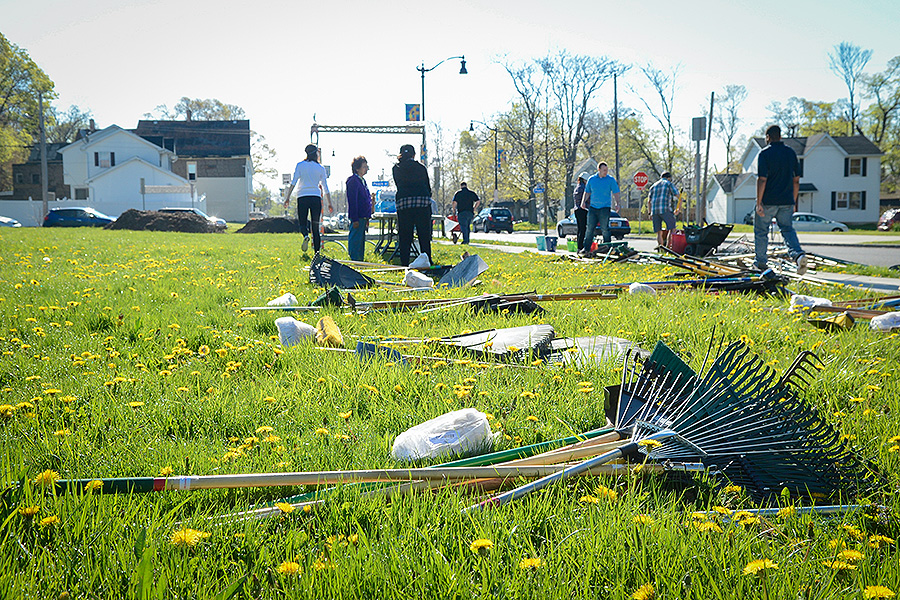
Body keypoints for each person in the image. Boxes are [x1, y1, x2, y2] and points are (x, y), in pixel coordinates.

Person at [754, 125, 807, 275]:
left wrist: (759, 202)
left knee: (761, 231)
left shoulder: (764, 154)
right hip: (787, 201)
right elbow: (796, 180)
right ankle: (798, 255)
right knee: (787, 229)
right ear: (780, 136)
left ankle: (761, 263)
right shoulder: (791, 153)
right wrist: (793, 201)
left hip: (768, 201)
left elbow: (762, 179)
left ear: (768, 137)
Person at [284, 144, 333, 254]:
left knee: (302, 223)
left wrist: (287, 197)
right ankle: (317, 253)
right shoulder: (320, 168)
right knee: (315, 227)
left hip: (302, 197)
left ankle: (305, 235)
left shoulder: (300, 165)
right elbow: (325, 187)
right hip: (315, 197)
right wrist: (330, 203)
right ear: (316, 154)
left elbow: (293, 182)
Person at [392, 144, 433, 266]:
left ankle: (405, 262)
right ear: (414, 155)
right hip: (422, 202)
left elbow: (398, 185)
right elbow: (427, 186)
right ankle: (427, 260)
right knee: (424, 235)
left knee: (405, 235)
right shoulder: (421, 167)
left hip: (404, 203)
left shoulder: (396, 168)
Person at [579, 161, 620, 255]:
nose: (606, 172)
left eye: (606, 170)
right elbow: (587, 192)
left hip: (605, 208)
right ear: (599, 170)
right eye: (604, 170)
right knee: (589, 228)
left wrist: (617, 203)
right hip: (593, 208)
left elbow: (616, 192)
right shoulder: (592, 179)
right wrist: (583, 202)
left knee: (605, 229)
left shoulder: (610, 180)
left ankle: (607, 248)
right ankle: (586, 249)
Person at [346, 156, 372, 262]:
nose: (366, 169)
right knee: (355, 240)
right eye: (364, 166)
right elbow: (353, 201)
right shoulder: (353, 181)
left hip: (364, 216)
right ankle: (354, 260)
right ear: (357, 168)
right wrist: (355, 218)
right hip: (357, 216)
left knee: (361, 241)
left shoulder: (362, 181)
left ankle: (360, 260)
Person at [648, 172, 679, 248]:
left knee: (659, 232)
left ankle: (661, 248)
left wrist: (649, 213)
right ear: (669, 178)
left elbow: (649, 201)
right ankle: (668, 248)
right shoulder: (668, 184)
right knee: (672, 228)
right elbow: (678, 196)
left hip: (655, 211)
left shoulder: (653, 186)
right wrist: (678, 209)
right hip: (665, 209)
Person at [573, 173, 589, 252]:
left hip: (577, 210)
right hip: (583, 209)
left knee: (579, 229)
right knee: (583, 229)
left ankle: (579, 247)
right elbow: (586, 199)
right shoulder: (583, 188)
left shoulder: (577, 188)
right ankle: (581, 246)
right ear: (584, 180)